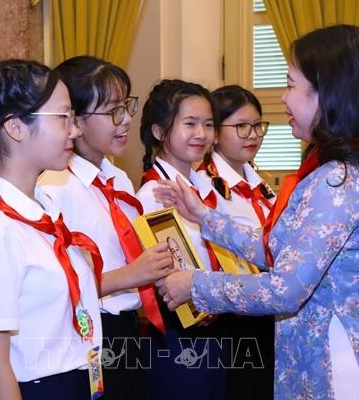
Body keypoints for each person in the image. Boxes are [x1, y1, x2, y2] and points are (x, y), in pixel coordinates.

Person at [154, 25, 359, 400]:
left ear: (327, 93)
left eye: (292, 85)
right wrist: (205, 218)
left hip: (338, 365)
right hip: (338, 352)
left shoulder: (338, 181)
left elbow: (286, 288)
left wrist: (194, 285)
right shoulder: (345, 167)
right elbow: (286, 250)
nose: (283, 98)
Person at [0, 59, 103, 400]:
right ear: (16, 127)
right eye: (63, 117)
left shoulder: (45, 209)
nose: (75, 130)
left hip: (79, 381)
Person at [38, 55, 174, 400]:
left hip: (128, 330)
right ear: (75, 120)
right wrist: (133, 273)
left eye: (127, 106)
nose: (127, 119)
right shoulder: (53, 187)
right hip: (88, 336)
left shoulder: (117, 178)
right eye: (113, 110)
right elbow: (59, 288)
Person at [137, 78, 230, 400]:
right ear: (159, 132)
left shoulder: (207, 187)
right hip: (178, 328)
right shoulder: (153, 194)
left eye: (208, 124)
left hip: (216, 323)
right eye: (190, 124)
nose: (202, 134)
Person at [197, 85, 276, 400]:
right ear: (215, 133)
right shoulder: (204, 187)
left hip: (268, 308)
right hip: (232, 319)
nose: (253, 134)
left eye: (258, 125)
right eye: (241, 126)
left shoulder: (262, 185)